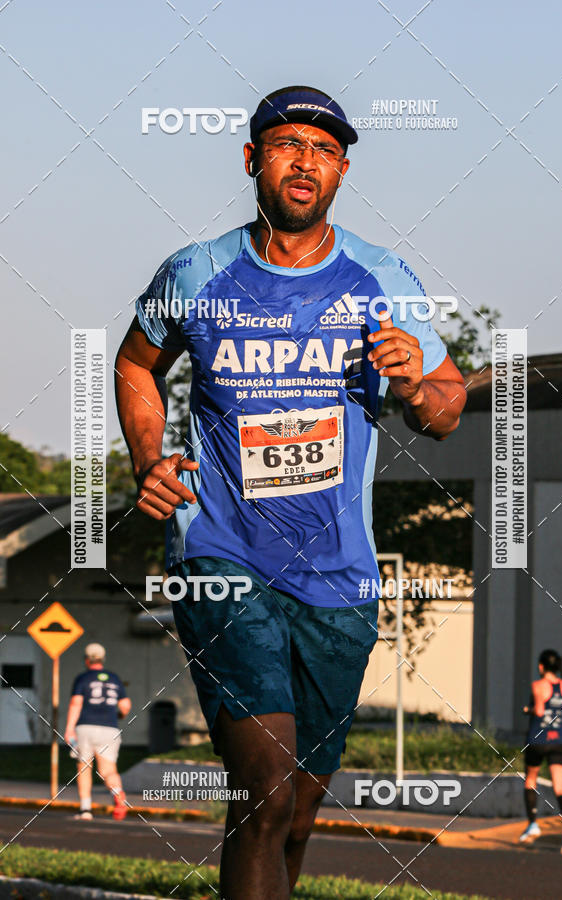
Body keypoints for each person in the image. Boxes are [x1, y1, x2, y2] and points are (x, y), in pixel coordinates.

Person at [115, 85, 466, 898]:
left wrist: (416, 385)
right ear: (252, 161)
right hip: (220, 552)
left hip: (338, 577)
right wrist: (149, 458)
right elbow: (137, 364)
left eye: (323, 151)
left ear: (341, 171)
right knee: (265, 795)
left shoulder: (383, 276)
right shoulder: (197, 272)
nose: (304, 163)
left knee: (299, 811)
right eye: (286, 145)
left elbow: (446, 408)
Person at [519, 648, 562, 855]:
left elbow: (540, 710)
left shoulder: (538, 685)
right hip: (558, 740)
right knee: (560, 787)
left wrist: (528, 710)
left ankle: (533, 824)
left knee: (531, 779)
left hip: (538, 739)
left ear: (541, 667)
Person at [64, 642, 131, 821]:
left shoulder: (83, 678)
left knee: (84, 767)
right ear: (102, 659)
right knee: (108, 770)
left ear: (87, 660)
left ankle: (85, 810)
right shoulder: (114, 678)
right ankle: (118, 794)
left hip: (86, 726)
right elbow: (125, 706)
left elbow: (76, 703)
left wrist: (69, 728)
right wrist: (119, 715)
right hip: (110, 728)